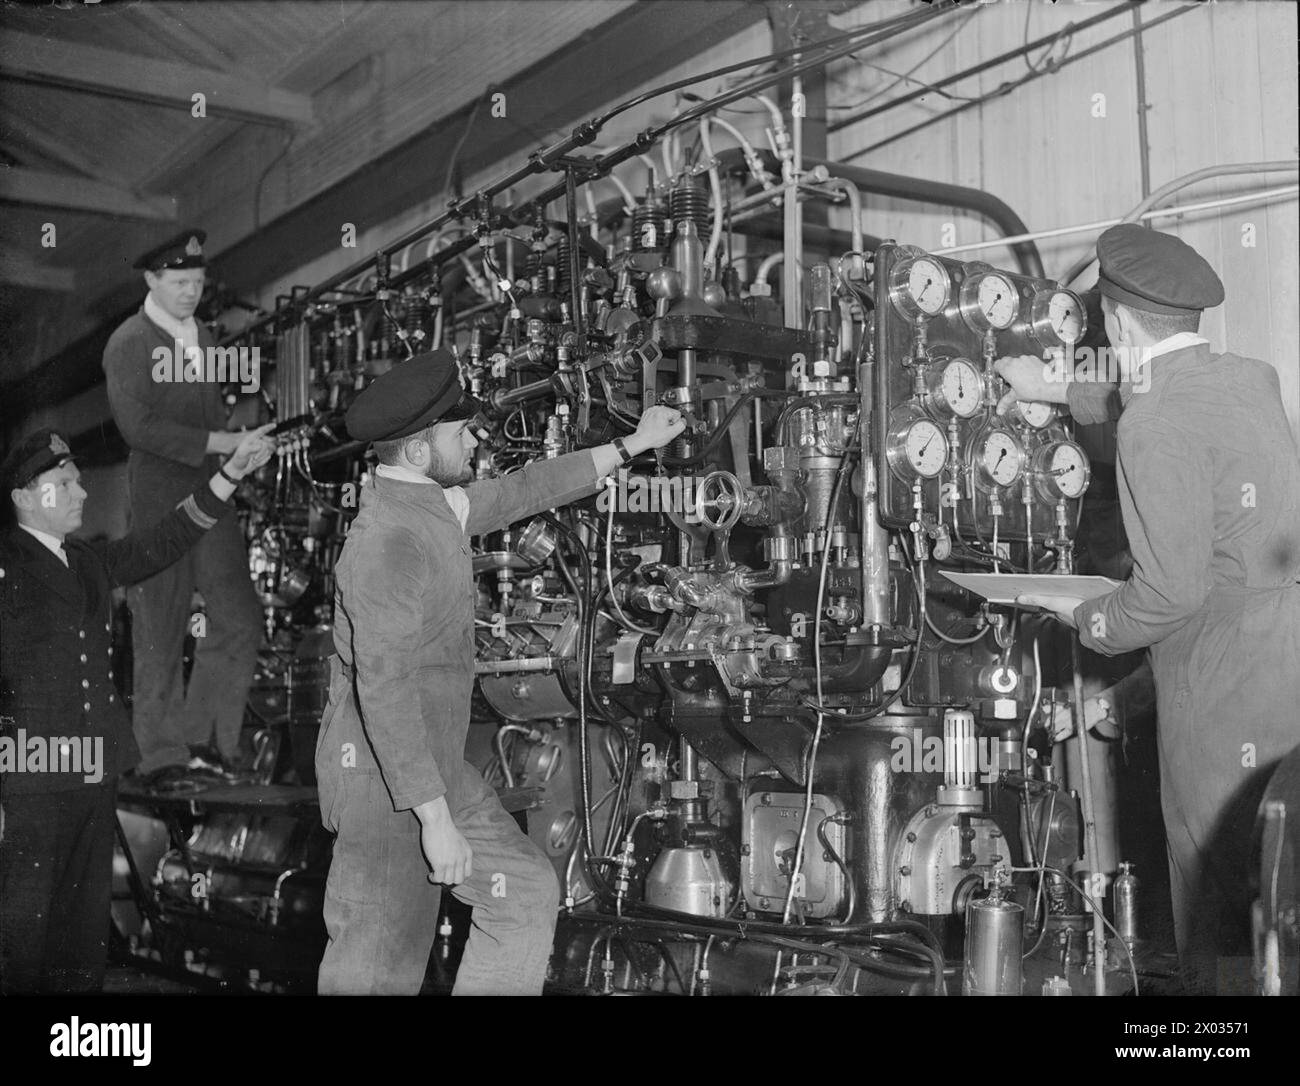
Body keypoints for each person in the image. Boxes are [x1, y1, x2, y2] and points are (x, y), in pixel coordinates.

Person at [315, 349, 685, 995]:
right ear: (420, 453)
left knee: (523, 895)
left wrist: (632, 444)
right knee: (380, 963)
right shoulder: (387, 544)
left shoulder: (432, 508)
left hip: (430, 766)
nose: (476, 436)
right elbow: (384, 689)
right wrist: (433, 822)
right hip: (382, 779)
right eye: (460, 430)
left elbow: (524, 490)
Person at [995, 223, 1300, 993]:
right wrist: (1053, 389)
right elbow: (1159, 393)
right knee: (1281, 878)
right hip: (1284, 661)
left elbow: (1168, 595)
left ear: (1118, 323)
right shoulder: (1248, 377)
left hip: (1219, 686)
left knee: (1215, 899)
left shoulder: (1151, 425)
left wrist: (1083, 616)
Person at [0, 425, 274, 993]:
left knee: (80, 938)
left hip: (92, 771)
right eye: (63, 482)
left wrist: (228, 476)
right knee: (23, 935)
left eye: (79, 481)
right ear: (24, 495)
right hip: (29, 779)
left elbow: (165, 539)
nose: (79, 492)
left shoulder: (88, 561)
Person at [102, 229, 265, 777]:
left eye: (197, 282)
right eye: (179, 282)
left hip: (214, 492)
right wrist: (218, 445)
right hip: (159, 500)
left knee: (239, 616)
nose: (191, 292)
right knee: (160, 625)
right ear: (151, 280)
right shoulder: (129, 343)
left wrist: (243, 443)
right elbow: (137, 427)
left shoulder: (207, 339)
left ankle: (208, 740)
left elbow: (218, 417)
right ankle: (162, 755)